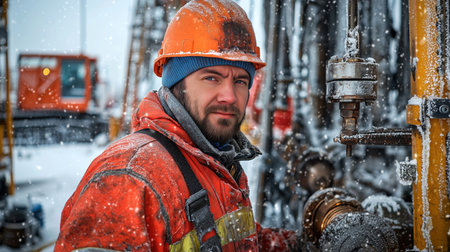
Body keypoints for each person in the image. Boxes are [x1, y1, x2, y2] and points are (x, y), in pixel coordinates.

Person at [55, 0, 300, 251]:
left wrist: (304, 243)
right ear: (176, 84)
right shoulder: (128, 178)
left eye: (240, 81)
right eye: (211, 78)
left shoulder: (213, 160)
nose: (229, 96)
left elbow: (237, 243)